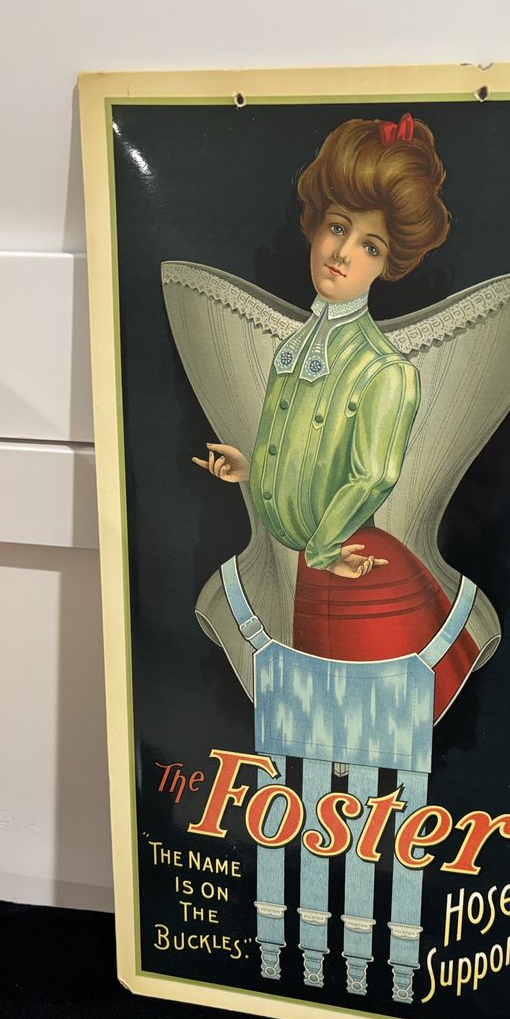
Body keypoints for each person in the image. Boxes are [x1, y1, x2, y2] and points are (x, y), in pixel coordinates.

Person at [193, 114, 478, 719]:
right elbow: (301, 454)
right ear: (316, 226)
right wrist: (249, 470)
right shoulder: (295, 351)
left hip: (353, 569)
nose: (344, 254)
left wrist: (324, 548)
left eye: (370, 246)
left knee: (352, 725)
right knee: (308, 723)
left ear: (387, 265)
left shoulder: (386, 371)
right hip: (311, 566)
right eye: (338, 228)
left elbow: (373, 475)